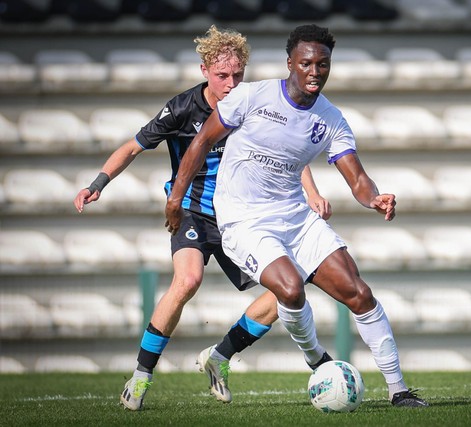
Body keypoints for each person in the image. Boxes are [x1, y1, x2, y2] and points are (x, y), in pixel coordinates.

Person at [165, 24, 428, 408]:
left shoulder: (331, 119)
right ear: (291, 63)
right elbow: (202, 140)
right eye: (306, 63)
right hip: (244, 219)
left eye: (323, 64)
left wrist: (374, 199)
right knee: (289, 288)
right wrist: (176, 198)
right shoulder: (252, 97)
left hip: (295, 217)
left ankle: (399, 389)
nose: (315, 71)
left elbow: (356, 178)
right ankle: (314, 357)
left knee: (360, 294)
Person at [73, 25, 332, 411]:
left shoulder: (254, 103)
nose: (231, 84)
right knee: (188, 280)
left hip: (242, 217)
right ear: (204, 70)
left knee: (285, 292)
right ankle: (141, 377)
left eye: (238, 75)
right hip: (193, 211)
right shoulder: (182, 108)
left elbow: (286, 153)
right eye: (222, 75)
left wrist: (311, 192)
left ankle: (220, 355)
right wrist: (98, 183)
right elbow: (133, 146)